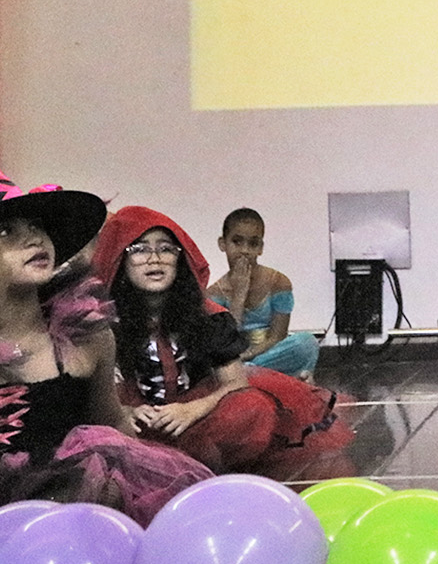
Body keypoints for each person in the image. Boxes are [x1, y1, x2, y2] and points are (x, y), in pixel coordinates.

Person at [0, 159, 211, 522]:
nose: (34, 238)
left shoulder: (86, 338)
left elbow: (111, 424)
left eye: (38, 226)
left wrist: (142, 473)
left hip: (77, 500)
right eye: (6, 231)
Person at [93, 205, 355, 480]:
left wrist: (192, 409)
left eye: (166, 249)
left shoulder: (208, 315)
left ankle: (207, 468)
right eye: (140, 250)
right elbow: (98, 394)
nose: (154, 259)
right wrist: (125, 412)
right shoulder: (103, 322)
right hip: (137, 424)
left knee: (251, 407)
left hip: (199, 418)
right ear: (120, 260)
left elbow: (236, 383)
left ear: (180, 259)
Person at [208, 207, 320, 380]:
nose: (245, 250)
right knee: (215, 365)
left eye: (253, 244)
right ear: (223, 244)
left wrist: (248, 357)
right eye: (237, 242)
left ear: (260, 248)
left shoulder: (278, 282)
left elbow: (277, 336)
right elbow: (227, 343)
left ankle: (251, 375)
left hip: (268, 355)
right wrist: (239, 295)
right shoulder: (214, 293)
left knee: (307, 343)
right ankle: (281, 379)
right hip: (235, 360)